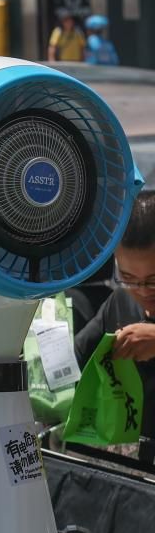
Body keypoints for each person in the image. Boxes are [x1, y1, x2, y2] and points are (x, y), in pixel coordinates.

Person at [75, 192, 155, 464]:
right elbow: (75, 358)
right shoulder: (120, 302)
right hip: (129, 465)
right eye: (128, 278)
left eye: (153, 280)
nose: (142, 291)